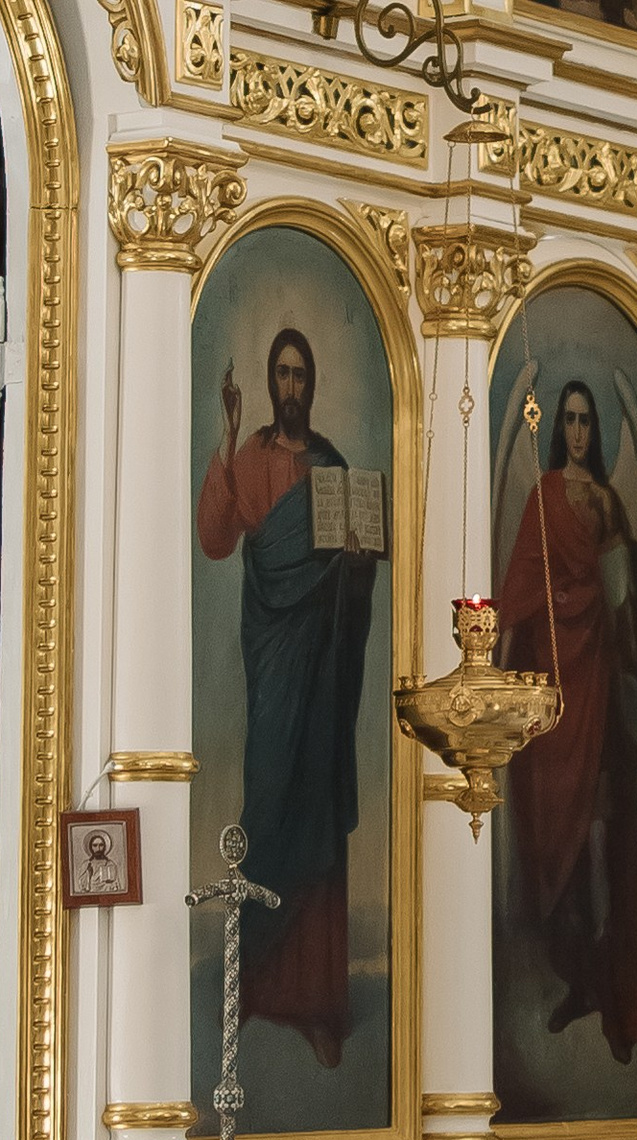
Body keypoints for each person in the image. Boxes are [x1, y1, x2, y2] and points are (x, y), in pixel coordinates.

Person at [194, 328, 381, 1066]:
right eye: (283, 374)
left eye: (303, 374)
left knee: (315, 806)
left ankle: (318, 1005)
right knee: (268, 800)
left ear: (314, 381)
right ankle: (258, 989)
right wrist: (229, 433)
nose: (293, 386)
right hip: (274, 664)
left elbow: (352, 566)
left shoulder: (332, 468)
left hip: (323, 673)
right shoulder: (254, 458)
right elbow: (215, 537)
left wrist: (358, 566)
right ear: (271, 383)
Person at [496, 379, 637, 1065]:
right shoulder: (543, 495)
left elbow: (630, 588)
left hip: (598, 672)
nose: (575, 430)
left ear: (595, 429)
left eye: (584, 419)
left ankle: (610, 982)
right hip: (550, 682)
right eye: (567, 419)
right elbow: (518, 586)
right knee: (555, 843)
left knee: (602, 833)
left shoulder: (606, 501)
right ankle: (580, 979)